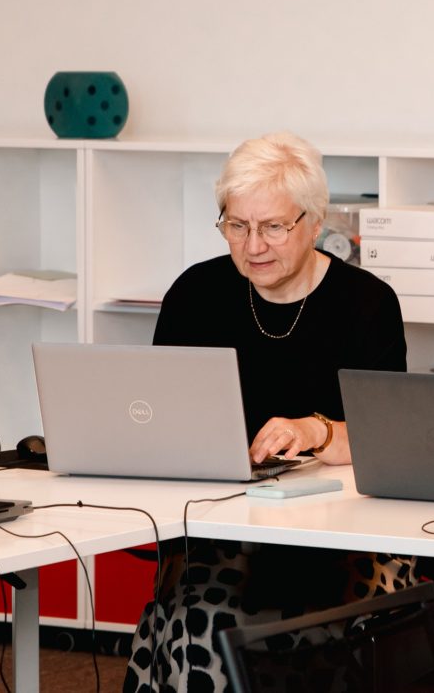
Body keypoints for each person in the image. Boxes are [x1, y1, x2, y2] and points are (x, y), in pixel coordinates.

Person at [123, 132, 412, 693]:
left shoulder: (367, 303)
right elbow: (158, 415)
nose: (253, 245)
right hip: (222, 529)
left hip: (346, 534)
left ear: (314, 221)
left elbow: (388, 440)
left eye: (273, 227)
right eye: (237, 225)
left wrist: (314, 431)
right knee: (203, 617)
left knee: (309, 618)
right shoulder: (196, 294)